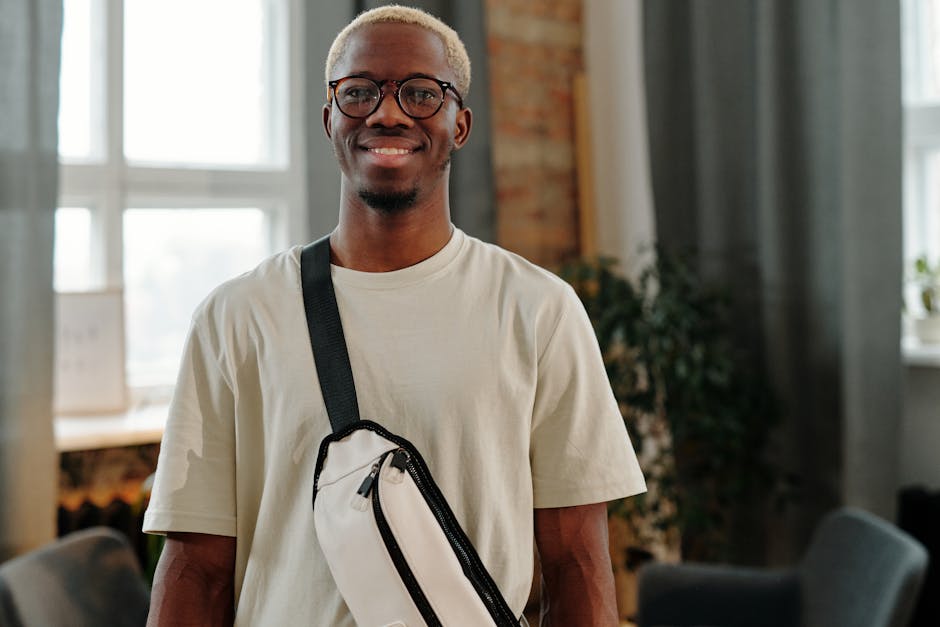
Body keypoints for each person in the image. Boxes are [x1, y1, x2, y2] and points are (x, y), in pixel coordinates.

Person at [143, 5, 645, 626]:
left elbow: (578, 564)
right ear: (329, 119)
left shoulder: (539, 311)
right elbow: (197, 569)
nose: (386, 112)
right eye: (358, 92)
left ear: (460, 123)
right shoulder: (235, 318)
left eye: (420, 93)